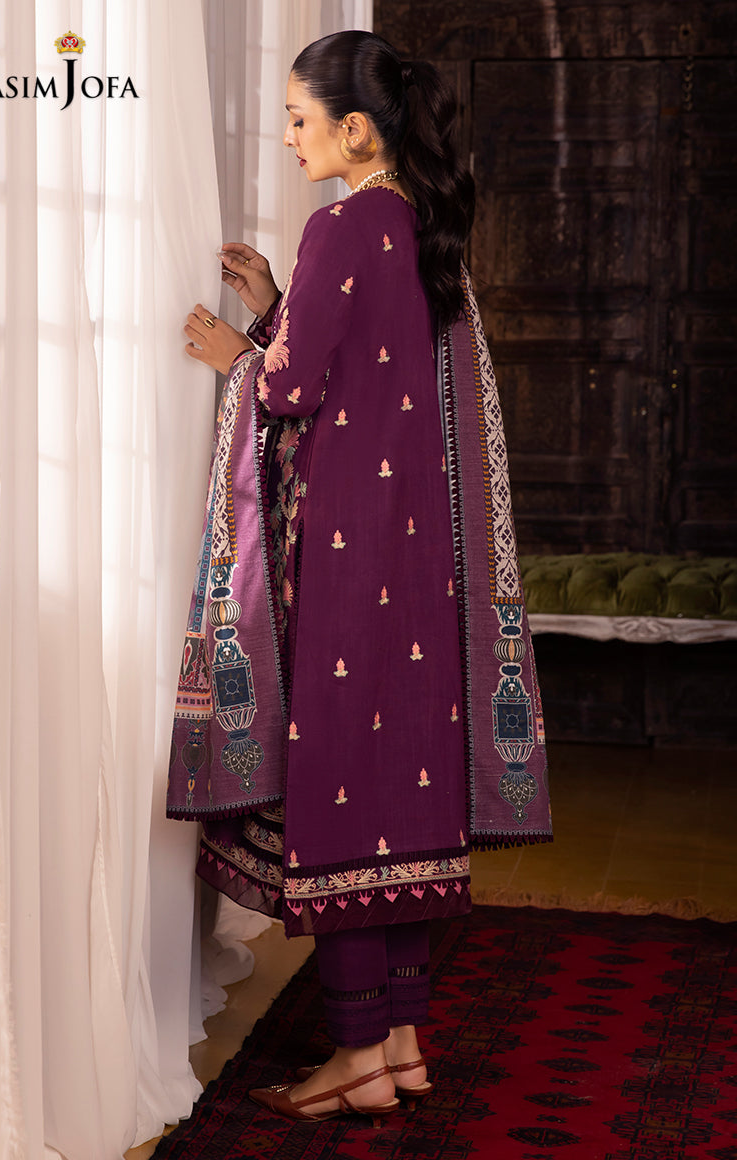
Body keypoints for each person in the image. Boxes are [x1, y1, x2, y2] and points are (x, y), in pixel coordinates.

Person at [167, 30, 551, 1126]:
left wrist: (238, 356)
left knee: (339, 782)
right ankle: (400, 1040)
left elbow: (295, 390)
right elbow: (369, 360)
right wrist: (276, 303)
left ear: (354, 128)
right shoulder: (421, 225)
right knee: (402, 776)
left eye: (298, 121)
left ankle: (353, 1052)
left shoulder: (340, 224)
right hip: (419, 558)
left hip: (345, 552)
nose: (288, 139)